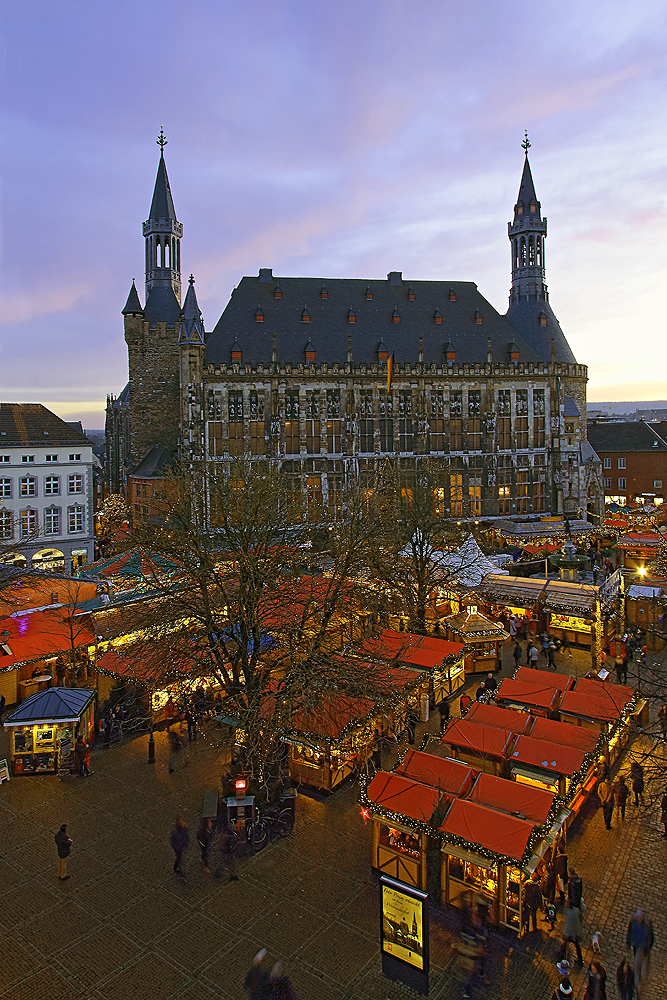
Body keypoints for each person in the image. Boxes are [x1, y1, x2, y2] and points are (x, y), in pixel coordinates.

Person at [560, 901, 584, 966]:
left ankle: (562, 956)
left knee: (565, 944)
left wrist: (565, 934)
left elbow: (568, 925)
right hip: (577, 932)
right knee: (577, 946)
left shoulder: (568, 913)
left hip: (571, 933)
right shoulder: (576, 910)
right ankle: (580, 959)